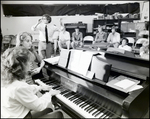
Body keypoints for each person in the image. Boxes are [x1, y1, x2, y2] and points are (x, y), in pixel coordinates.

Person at [1, 46, 63, 118]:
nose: (31, 64)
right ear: (21, 65)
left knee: (49, 109)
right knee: (58, 114)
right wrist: (49, 94)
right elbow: (39, 106)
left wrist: (40, 87)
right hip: (22, 117)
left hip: (12, 115)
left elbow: (26, 89)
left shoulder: (9, 80)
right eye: (29, 62)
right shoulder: (19, 86)